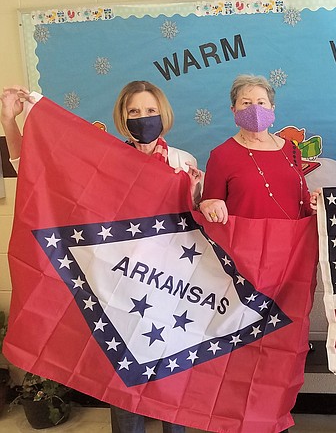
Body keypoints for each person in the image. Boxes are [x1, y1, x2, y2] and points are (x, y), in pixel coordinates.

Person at [2, 81, 201, 433]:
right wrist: (9, 122)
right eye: (134, 112)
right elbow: (31, 166)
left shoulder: (184, 162)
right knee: (123, 379)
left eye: (150, 111)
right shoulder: (104, 157)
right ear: (122, 118)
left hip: (170, 288)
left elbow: (198, 225)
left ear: (164, 113)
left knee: (173, 381)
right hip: (118, 288)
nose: (144, 118)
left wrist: (206, 199)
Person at [198, 74, 312, 223]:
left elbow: (303, 199)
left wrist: (317, 205)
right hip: (245, 242)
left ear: (272, 108)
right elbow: (211, 207)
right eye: (246, 103)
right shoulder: (221, 155)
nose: (255, 109)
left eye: (261, 102)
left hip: (295, 240)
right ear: (234, 110)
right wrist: (207, 206)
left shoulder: (291, 149)